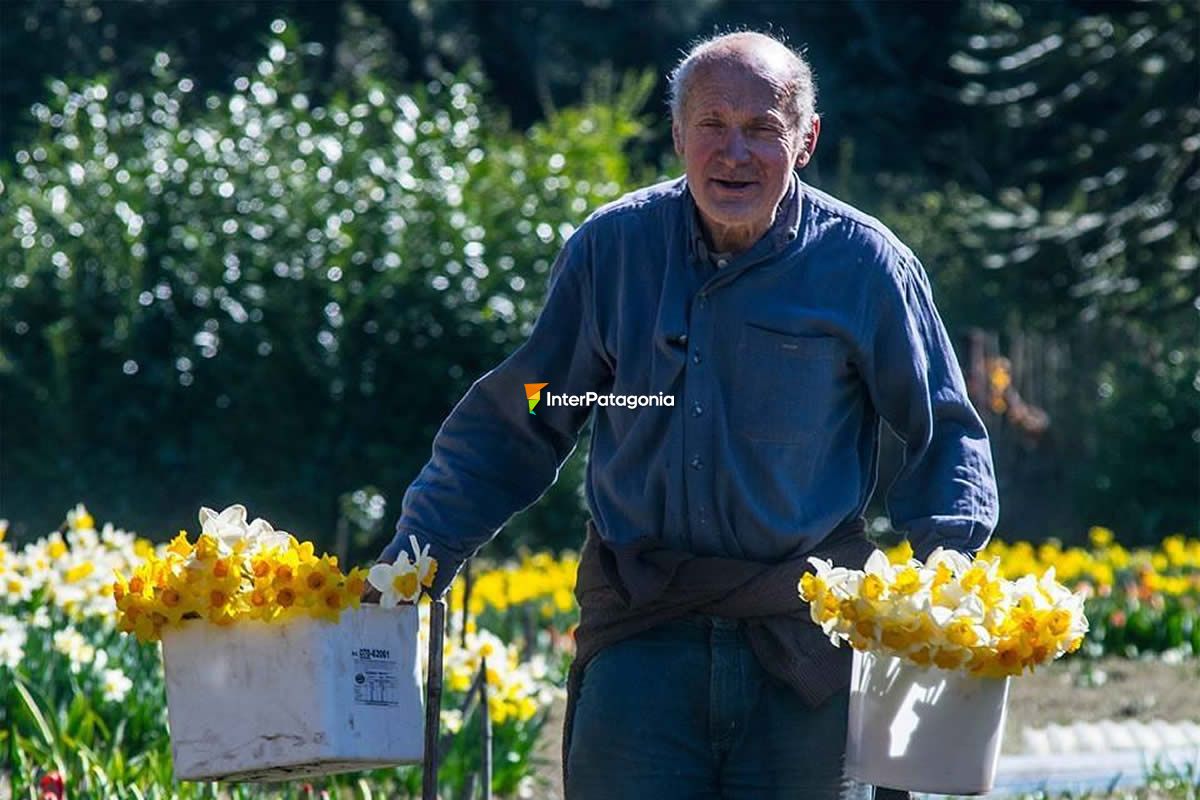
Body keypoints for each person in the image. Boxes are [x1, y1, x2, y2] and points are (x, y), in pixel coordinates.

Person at [372, 30, 998, 800]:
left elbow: (943, 429)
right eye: (711, 125)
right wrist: (417, 559)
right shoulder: (613, 252)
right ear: (676, 136)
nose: (734, 153)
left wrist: (948, 574)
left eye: (763, 129)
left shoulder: (865, 266)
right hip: (644, 633)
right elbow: (527, 415)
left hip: (804, 644)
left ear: (806, 140)